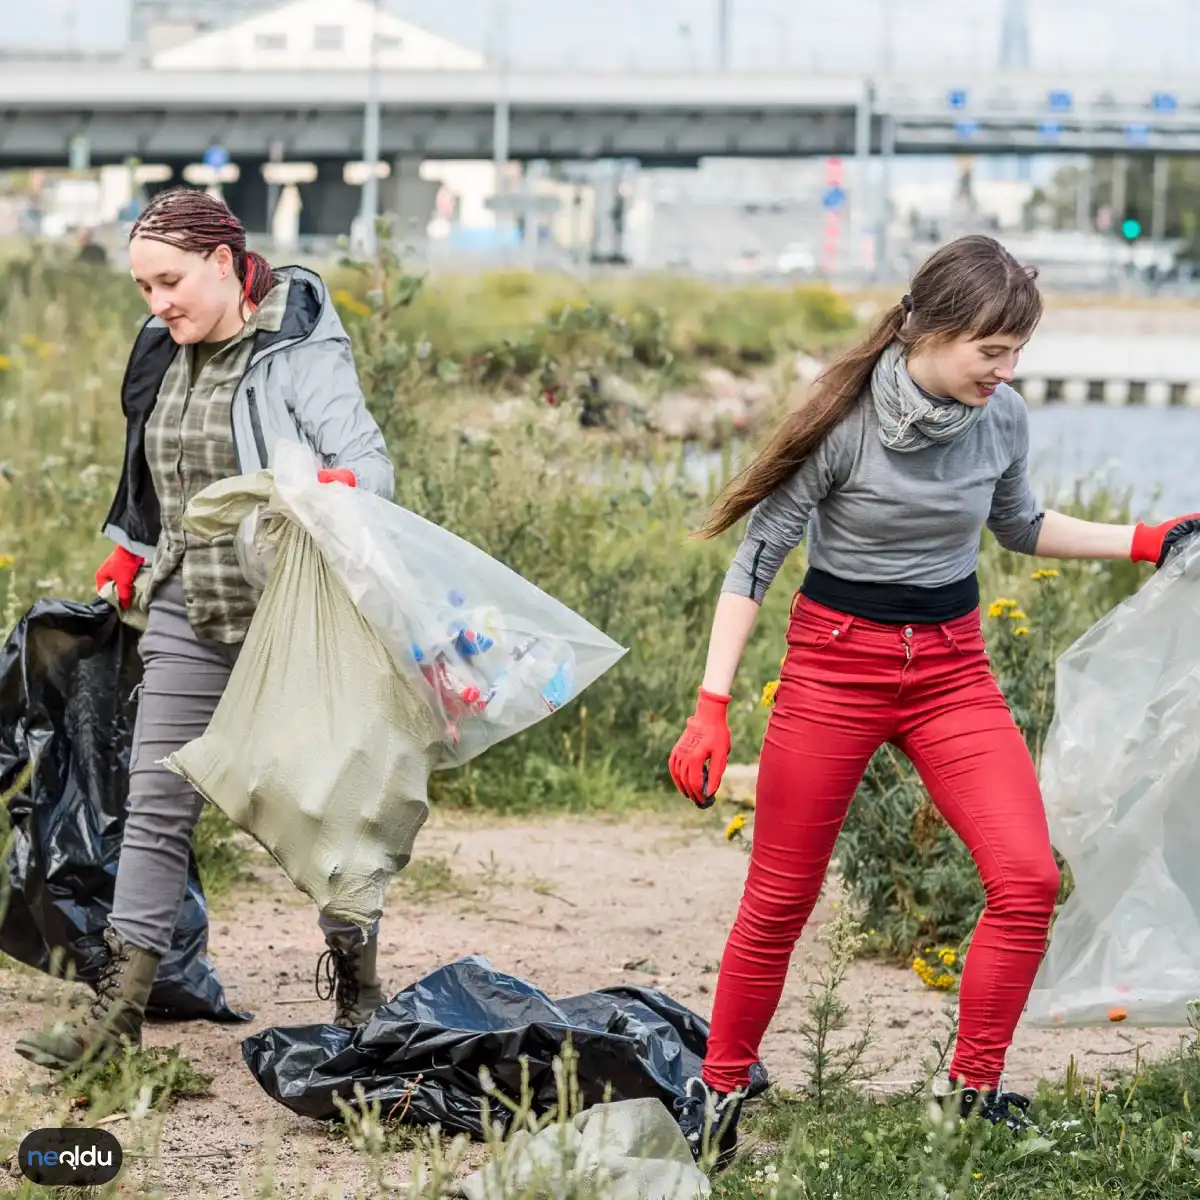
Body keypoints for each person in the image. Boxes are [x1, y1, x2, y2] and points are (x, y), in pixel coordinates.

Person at [667, 234, 1200, 1166]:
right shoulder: (843, 424)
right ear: (932, 331)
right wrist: (711, 706)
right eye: (991, 350)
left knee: (1027, 880)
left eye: (1017, 352)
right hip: (835, 669)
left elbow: (1020, 523)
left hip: (952, 670)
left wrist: (1145, 538)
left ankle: (974, 1093)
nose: (1007, 369)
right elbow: (756, 559)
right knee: (780, 900)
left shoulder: (1001, 420)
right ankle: (715, 1095)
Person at [16, 188, 396, 1071]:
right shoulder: (162, 345)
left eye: (171, 282)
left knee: (326, 808)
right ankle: (119, 1016)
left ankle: (363, 993)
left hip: (292, 614)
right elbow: (151, 461)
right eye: (144, 288)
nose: (157, 305)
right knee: (155, 803)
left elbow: (369, 462)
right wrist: (128, 548)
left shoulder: (298, 348)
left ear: (224, 264)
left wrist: (341, 491)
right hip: (191, 600)